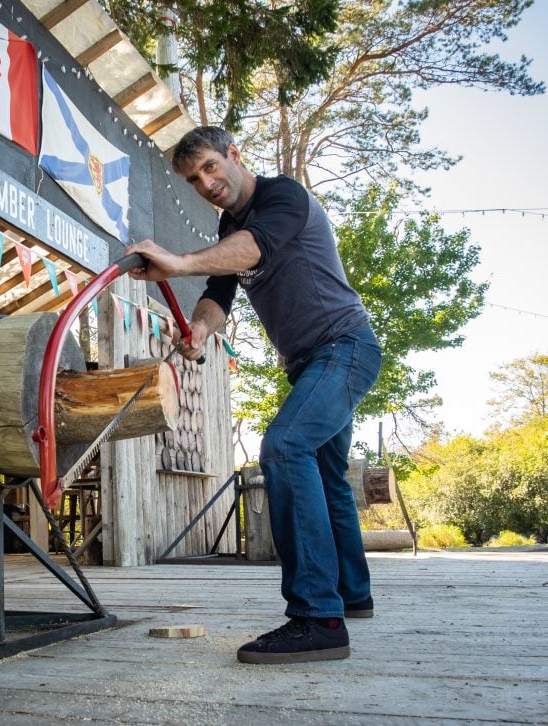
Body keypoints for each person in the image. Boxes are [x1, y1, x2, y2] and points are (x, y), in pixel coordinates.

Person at [125, 126, 382, 664]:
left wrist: (179, 260)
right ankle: (352, 594)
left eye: (211, 168)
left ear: (234, 156)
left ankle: (318, 617)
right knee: (328, 475)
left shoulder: (283, 196)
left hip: (345, 347)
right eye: (195, 178)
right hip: (309, 363)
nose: (207, 182)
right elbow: (220, 293)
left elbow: (251, 249)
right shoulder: (227, 224)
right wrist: (199, 329)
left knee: (285, 447)